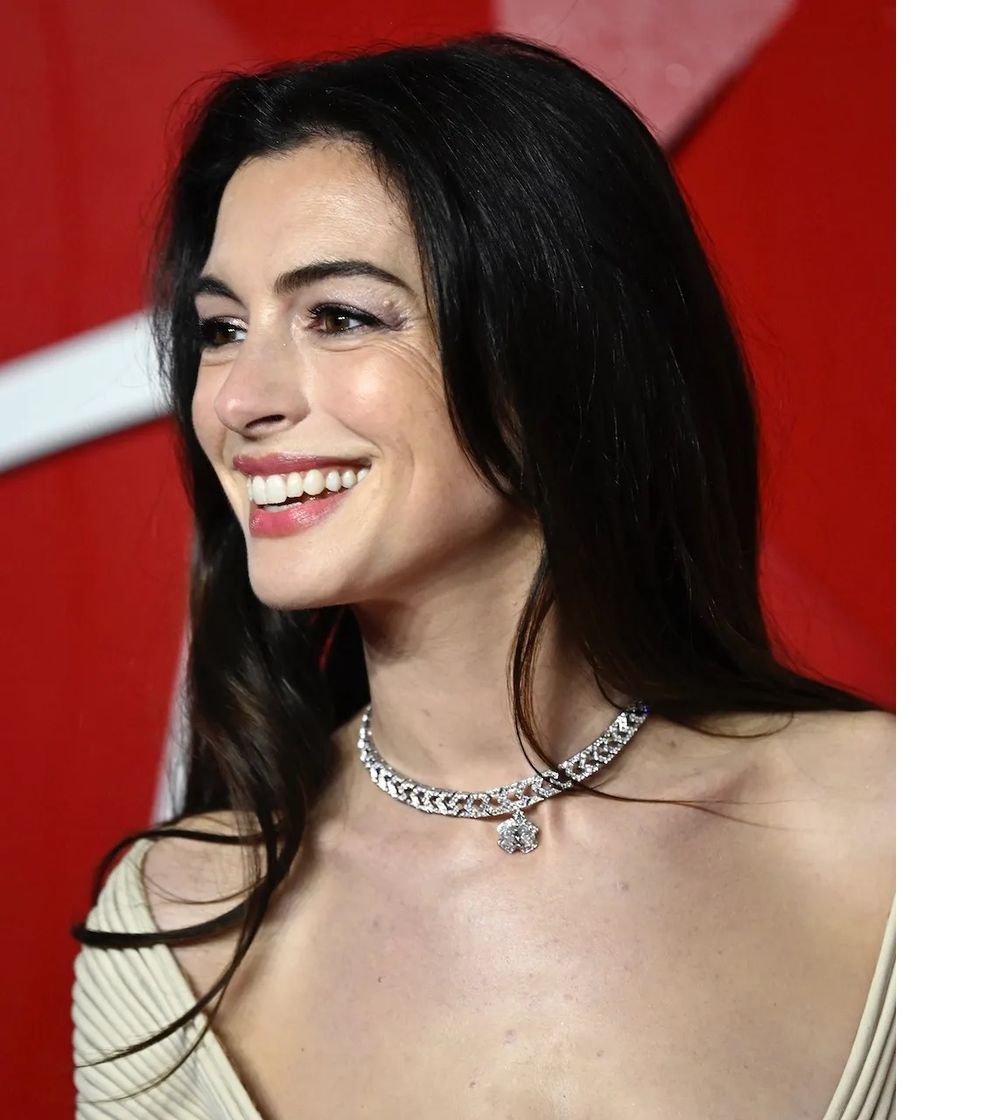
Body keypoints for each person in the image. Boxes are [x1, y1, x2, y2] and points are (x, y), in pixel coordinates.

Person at [70, 31, 894, 1120]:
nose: (235, 398)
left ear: (554, 347)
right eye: (221, 328)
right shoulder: (176, 924)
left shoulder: (899, 827)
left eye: (339, 316)